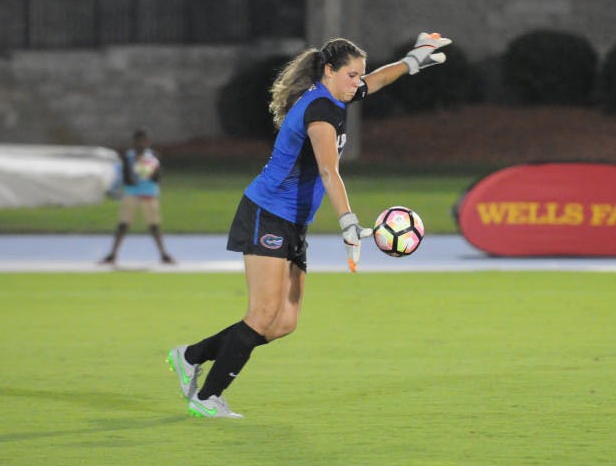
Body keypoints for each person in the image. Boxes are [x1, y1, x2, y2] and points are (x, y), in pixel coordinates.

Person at [167, 31, 452, 418]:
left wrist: (413, 60)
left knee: (284, 322)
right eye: (352, 76)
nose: (358, 83)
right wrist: (348, 223)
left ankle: (191, 355)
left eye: (359, 76)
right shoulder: (320, 110)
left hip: (293, 223)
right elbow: (328, 171)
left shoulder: (338, 95)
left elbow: (379, 79)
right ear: (329, 72)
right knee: (262, 314)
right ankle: (207, 398)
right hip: (267, 214)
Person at [100, 128, 176, 265]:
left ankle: (163, 254)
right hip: (132, 194)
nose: (140, 144)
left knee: (154, 225)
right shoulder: (128, 157)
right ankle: (113, 254)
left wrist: (150, 174)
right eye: (138, 141)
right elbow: (126, 177)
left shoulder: (153, 157)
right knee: (123, 224)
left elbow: (158, 177)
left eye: (143, 141)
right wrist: (135, 174)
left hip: (149, 193)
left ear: (147, 142)